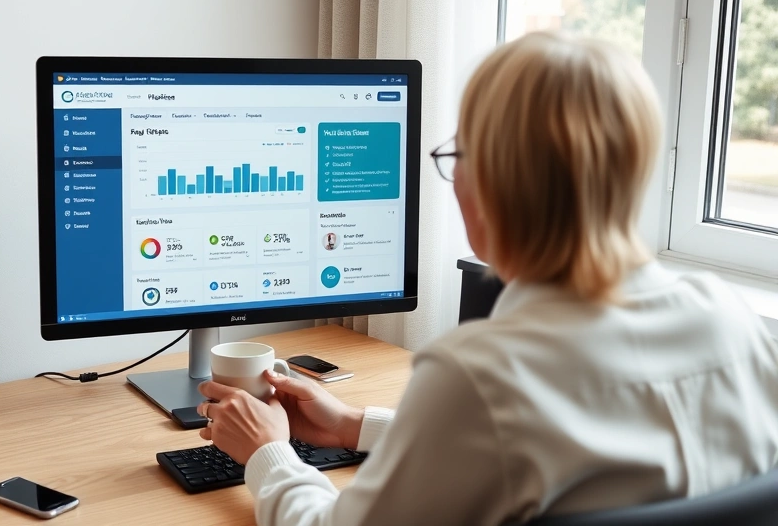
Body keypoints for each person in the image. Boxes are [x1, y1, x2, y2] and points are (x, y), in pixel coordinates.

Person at [196, 32, 778, 525]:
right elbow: (550, 439)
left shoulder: (481, 376)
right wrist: (354, 425)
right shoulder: (731, 322)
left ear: (495, 181)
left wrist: (267, 451)